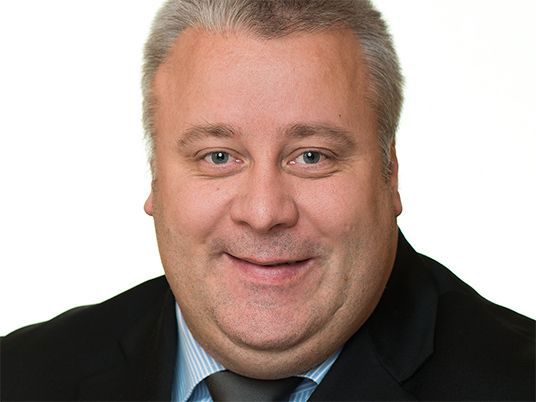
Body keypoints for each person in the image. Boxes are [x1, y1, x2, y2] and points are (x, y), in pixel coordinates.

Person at [1, 1, 534, 401]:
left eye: (311, 156)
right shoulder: (21, 376)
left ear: (389, 173)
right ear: (156, 177)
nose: (263, 213)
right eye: (218, 156)